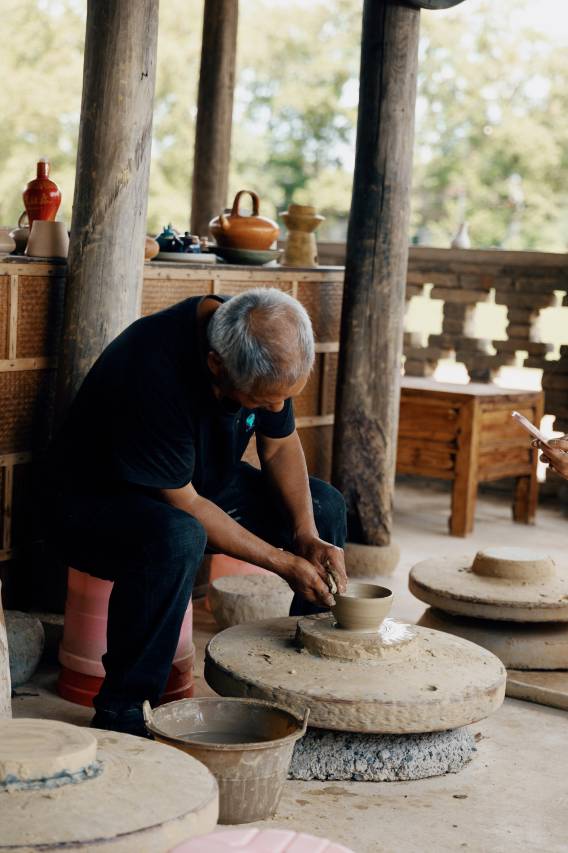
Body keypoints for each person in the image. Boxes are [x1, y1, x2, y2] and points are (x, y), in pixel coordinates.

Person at [40, 288, 347, 737]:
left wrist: (305, 535)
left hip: (196, 483)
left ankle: (298, 680)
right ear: (215, 366)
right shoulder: (151, 367)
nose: (277, 408)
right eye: (263, 402)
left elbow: (279, 444)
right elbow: (184, 503)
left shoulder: (264, 347)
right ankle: (124, 710)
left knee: (324, 506)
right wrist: (283, 563)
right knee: (177, 537)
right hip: (94, 502)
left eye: (284, 397)